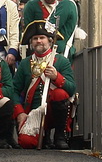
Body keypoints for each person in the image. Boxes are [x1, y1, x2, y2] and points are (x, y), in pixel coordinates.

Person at [12, 19, 76, 150]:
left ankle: (59, 136)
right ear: (31, 42)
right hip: (33, 112)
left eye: (42, 38)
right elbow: (14, 90)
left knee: (60, 93)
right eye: (35, 38)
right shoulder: (25, 63)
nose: (38, 41)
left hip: (53, 112)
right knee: (26, 143)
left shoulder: (61, 61)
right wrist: (20, 113)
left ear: (50, 41)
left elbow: (71, 89)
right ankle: (44, 137)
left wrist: (57, 77)